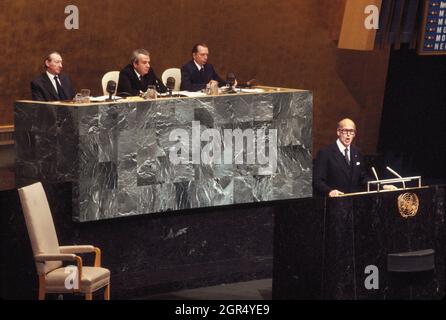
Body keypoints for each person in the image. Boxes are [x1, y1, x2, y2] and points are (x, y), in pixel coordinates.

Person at [313, 118, 368, 197]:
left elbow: (363, 178)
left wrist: (381, 186)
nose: (348, 134)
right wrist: (329, 191)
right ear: (338, 132)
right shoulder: (325, 153)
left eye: (351, 131)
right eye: (345, 131)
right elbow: (317, 180)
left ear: (354, 134)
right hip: (334, 202)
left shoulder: (357, 152)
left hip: (354, 203)